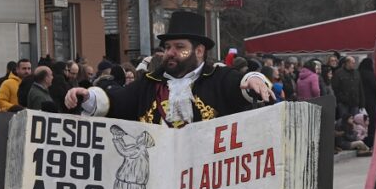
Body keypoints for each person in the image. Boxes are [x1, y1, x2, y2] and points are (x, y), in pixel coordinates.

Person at [64, 10, 273, 125]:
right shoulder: (150, 83)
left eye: (179, 47)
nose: (170, 52)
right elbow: (118, 101)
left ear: (199, 51)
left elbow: (240, 84)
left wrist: (254, 79)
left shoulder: (217, 78)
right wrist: (87, 96)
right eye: (167, 47)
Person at [358, 57, 376, 148]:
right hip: (371, 101)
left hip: (360, 102)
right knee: (371, 121)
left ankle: (361, 139)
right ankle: (370, 140)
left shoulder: (358, 73)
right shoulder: (370, 74)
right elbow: (375, 87)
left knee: (361, 121)